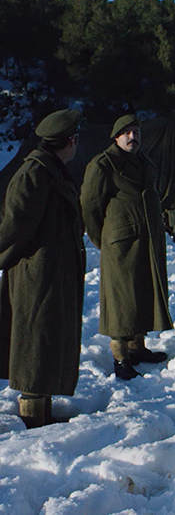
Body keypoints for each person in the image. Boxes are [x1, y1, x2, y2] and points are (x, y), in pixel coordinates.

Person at [0, 109, 85, 428]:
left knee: (47, 341)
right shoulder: (34, 173)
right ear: (70, 141)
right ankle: (33, 417)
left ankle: (41, 409)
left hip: (52, 273)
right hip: (37, 276)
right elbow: (15, 226)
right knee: (35, 342)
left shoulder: (54, 170)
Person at [80, 114, 172, 381]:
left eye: (137, 132)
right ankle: (120, 357)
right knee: (122, 301)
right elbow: (90, 206)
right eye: (127, 133)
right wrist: (104, 240)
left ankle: (137, 348)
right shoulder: (103, 165)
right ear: (116, 136)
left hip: (146, 241)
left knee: (142, 294)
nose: (133, 137)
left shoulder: (144, 161)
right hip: (121, 244)